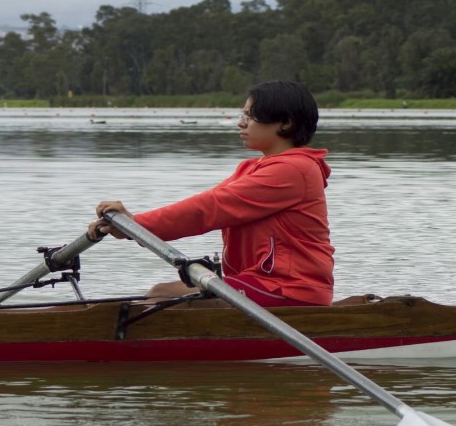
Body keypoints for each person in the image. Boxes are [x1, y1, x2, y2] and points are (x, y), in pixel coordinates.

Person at [88, 80, 334, 307]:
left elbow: (210, 209)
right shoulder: (252, 168)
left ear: (286, 123)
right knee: (161, 294)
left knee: (162, 294)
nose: (241, 123)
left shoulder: (293, 170)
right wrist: (132, 225)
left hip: (291, 289)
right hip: (259, 283)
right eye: (242, 115)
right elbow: (204, 206)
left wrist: (137, 226)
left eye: (250, 116)